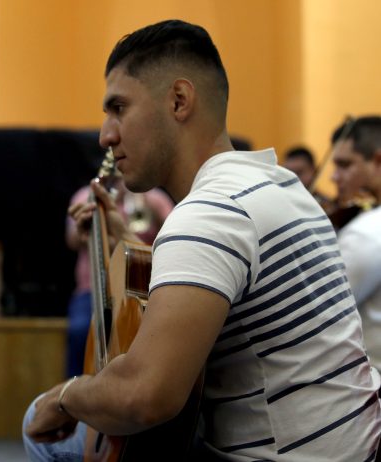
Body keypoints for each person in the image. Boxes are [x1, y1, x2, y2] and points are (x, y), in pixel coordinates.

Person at [23, 20, 381, 461]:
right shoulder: (278, 183)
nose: (106, 135)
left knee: (34, 425)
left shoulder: (208, 213)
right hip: (352, 442)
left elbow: (145, 396)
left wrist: (66, 397)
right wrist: (125, 241)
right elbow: (221, 284)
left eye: (118, 108)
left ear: (178, 100)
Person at [65, 178, 173, 377]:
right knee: (81, 330)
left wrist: (154, 212)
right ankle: (73, 384)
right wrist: (92, 224)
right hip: (93, 288)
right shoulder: (86, 196)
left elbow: (173, 239)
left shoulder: (155, 198)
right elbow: (72, 240)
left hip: (141, 289)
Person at [331, 116, 381, 371]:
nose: (333, 177)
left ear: (378, 161)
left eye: (345, 165)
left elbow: (325, 314)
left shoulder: (367, 232)